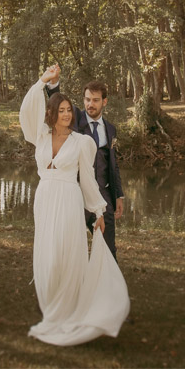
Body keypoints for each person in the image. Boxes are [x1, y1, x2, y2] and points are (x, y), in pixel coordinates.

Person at [19, 65, 130, 346]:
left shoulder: (88, 138)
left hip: (74, 198)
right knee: (50, 254)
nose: (68, 114)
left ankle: (88, 303)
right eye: (63, 110)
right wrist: (44, 81)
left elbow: (96, 176)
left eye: (70, 110)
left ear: (104, 102)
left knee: (74, 254)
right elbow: (31, 111)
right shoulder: (42, 136)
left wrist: (101, 207)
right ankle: (52, 308)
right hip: (46, 200)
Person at [46, 64, 124, 260]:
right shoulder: (74, 120)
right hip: (75, 195)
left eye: (96, 100)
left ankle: (106, 288)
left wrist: (118, 195)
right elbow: (57, 103)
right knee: (71, 250)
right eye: (87, 99)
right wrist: (54, 82)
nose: (91, 104)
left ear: (104, 102)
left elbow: (113, 165)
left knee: (108, 250)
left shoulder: (110, 129)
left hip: (103, 196)